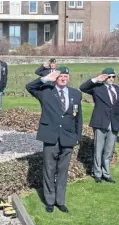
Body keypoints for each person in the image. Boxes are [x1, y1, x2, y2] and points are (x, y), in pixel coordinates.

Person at [26, 67, 83, 213]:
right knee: (49, 169)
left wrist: (77, 136)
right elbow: (29, 87)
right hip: (51, 136)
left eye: (66, 76)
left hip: (68, 136)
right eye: (60, 76)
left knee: (63, 171)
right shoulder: (46, 91)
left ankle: (60, 201)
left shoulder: (75, 94)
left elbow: (78, 117)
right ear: (55, 77)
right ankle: (50, 201)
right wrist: (45, 79)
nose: (63, 78)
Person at [80, 68, 119, 184]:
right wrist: (96, 79)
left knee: (109, 150)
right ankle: (97, 173)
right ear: (104, 77)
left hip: (114, 124)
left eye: (113, 76)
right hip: (100, 122)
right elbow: (83, 87)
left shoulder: (118, 89)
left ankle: (106, 173)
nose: (111, 79)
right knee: (98, 149)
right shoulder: (97, 88)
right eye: (109, 77)